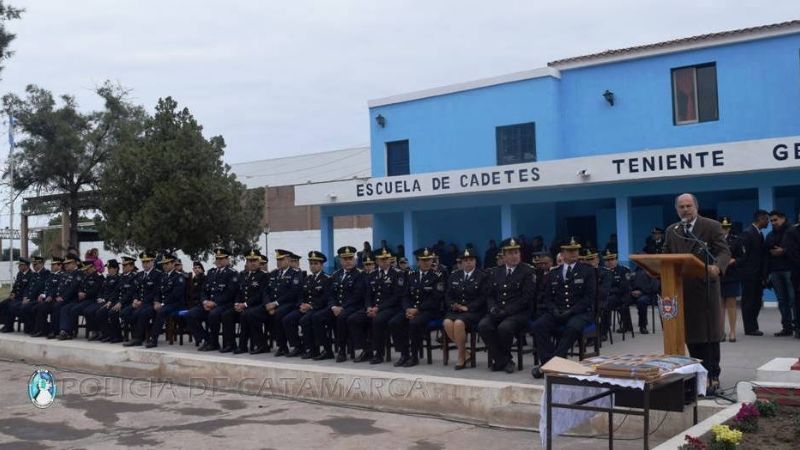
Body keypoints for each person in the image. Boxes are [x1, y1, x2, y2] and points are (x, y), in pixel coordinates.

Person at [662, 193, 730, 395]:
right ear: (677, 209)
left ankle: (712, 377)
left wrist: (718, 267)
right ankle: (694, 375)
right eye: (681, 207)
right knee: (690, 334)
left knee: (709, 334)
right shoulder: (672, 231)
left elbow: (723, 251)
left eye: (688, 206)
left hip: (705, 288)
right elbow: (665, 255)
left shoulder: (711, 226)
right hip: (681, 290)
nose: (685, 210)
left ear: (696, 207)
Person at [531, 237, 596, 379]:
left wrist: (572, 311)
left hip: (579, 313)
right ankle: (550, 363)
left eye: (575, 250)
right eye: (569, 251)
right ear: (562, 253)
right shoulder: (554, 273)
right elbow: (547, 298)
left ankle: (550, 366)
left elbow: (589, 298)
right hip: (558, 311)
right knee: (538, 325)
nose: (573, 253)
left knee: (572, 328)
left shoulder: (587, 271)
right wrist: (553, 310)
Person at [479, 238, 536, 374]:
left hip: (519, 312)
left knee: (504, 328)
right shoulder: (495, 272)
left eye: (516, 252)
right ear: (503, 256)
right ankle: (504, 360)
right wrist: (492, 307)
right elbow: (490, 295)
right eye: (510, 253)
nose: (514, 256)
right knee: (483, 326)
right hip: (498, 311)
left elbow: (526, 298)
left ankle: (501, 361)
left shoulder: (527, 271)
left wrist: (506, 311)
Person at [390, 247, 445, 368]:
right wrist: (407, 309)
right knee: (395, 322)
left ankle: (414, 356)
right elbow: (404, 295)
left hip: (429, 311)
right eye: (423, 260)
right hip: (411, 309)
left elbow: (436, 298)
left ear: (432, 261)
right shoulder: (410, 275)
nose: (426, 263)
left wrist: (418, 309)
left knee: (414, 323)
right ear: (418, 261)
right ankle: (404, 354)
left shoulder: (438, 276)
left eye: (428, 260)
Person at [348, 248, 404, 364]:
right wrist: (368, 307)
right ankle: (367, 349)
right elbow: (368, 294)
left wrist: (378, 308)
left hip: (390, 308)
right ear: (377, 261)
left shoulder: (398, 274)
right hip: (373, 307)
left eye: (386, 259)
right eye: (381, 260)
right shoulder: (372, 275)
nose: (384, 262)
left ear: (390, 260)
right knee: (353, 319)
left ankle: (379, 354)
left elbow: (396, 297)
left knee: (377, 320)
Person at [311, 246, 365, 362]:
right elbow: (330, 294)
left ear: (354, 259)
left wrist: (342, 307)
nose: (348, 261)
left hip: (352, 307)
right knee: (317, 317)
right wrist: (333, 306)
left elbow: (357, 295)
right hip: (336, 307)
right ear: (340, 260)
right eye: (345, 259)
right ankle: (327, 350)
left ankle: (342, 350)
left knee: (342, 318)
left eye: (350, 258)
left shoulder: (360, 274)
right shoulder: (336, 275)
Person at [250, 249, 303, 356]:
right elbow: (266, 291)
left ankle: (289, 346)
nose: (279, 262)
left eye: (281, 259)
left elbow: (293, 293)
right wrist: (267, 304)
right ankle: (262, 344)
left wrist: (275, 303)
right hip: (271, 305)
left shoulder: (296, 273)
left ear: (288, 260)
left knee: (278, 314)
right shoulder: (273, 273)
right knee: (252, 314)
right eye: (278, 260)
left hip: (288, 304)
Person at [186, 248, 238, 351]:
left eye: (221, 258)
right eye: (217, 258)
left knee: (213, 315)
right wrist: (205, 301)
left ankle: (214, 343)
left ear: (228, 260)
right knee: (190, 314)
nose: (218, 261)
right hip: (208, 304)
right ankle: (208, 340)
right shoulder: (211, 272)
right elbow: (204, 290)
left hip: (223, 304)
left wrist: (214, 303)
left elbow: (230, 293)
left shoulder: (232, 273)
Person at [443, 248, 487, 370]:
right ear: (461, 262)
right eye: (465, 260)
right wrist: (453, 305)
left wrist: (467, 307)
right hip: (456, 309)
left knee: (458, 323)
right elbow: (448, 294)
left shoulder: (482, 276)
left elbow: (483, 297)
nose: (468, 262)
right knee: (447, 322)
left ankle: (461, 357)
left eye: (471, 260)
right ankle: (466, 353)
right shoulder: (454, 275)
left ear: (475, 262)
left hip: (473, 311)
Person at [284, 250, 331, 359]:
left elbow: (326, 297)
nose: (313, 266)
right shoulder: (307, 279)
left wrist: (311, 306)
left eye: (316, 264)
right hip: (305, 308)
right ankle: (298, 346)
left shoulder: (327, 279)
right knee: (288, 319)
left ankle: (314, 350)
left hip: (318, 308)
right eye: (311, 264)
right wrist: (301, 304)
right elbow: (301, 294)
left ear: (321, 265)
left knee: (306, 320)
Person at [224, 250, 267, 354]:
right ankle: (230, 344)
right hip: (243, 305)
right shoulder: (243, 275)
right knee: (227, 314)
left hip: (257, 305)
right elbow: (239, 291)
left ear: (259, 261)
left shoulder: (264, 276)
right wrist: (237, 303)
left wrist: (245, 304)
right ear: (246, 262)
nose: (252, 263)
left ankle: (246, 345)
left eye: (254, 260)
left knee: (246, 315)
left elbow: (260, 294)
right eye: (249, 260)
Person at [737, 209, 768, 336]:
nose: (768, 222)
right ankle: (749, 328)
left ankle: (753, 325)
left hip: (757, 274)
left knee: (756, 300)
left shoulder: (759, 233)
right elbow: (744, 254)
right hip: (749, 274)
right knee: (749, 301)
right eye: (766, 219)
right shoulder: (747, 233)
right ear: (760, 219)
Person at [145, 252, 187, 348]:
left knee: (161, 312)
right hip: (165, 304)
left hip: (176, 304)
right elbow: (158, 292)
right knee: (149, 311)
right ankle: (145, 336)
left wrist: (162, 304)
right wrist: (156, 301)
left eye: (167, 263)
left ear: (173, 264)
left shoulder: (178, 277)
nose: (165, 266)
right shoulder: (163, 276)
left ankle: (153, 339)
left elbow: (175, 295)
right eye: (163, 264)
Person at [123, 251, 164, 347]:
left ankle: (138, 338)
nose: (145, 264)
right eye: (143, 262)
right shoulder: (139, 275)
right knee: (125, 313)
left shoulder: (158, 274)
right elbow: (135, 290)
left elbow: (157, 292)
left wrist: (144, 301)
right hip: (140, 302)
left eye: (147, 262)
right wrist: (135, 299)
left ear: (152, 262)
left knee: (140, 313)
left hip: (150, 303)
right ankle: (138, 335)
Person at [765, 210, 795, 337]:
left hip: (790, 269)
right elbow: (766, 252)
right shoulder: (770, 235)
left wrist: (784, 250)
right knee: (782, 300)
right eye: (771, 221)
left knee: (794, 299)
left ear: (783, 218)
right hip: (775, 271)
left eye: (775, 220)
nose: (773, 223)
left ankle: (797, 326)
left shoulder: (793, 232)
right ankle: (786, 327)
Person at [85, 259, 121, 341]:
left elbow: (116, 292)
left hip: (111, 302)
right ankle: (98, 332)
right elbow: (101, 290)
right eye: (108, 268)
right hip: (102, 301)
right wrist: (99, 297)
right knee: (88, 311)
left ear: (115, 269)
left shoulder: (118, 278)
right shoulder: (107, 278)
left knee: (100, 313)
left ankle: (107, 333)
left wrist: (107, 300)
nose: (108, 270)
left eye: (110, 268)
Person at [720, 217, 743, 342]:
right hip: (719, 274)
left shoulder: (736, 240)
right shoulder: (714, 240)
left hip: (732, 274)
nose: (725, 229)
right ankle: (720, 332)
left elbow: (742, 257)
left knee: (731, 304)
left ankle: (732, 331)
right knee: (719, 305)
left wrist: (734, 260)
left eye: (727, 227)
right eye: (722, 227)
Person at [106, 256, 138, 343]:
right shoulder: (121, 277)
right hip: (121, 302)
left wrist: (120, 302)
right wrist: (111, 301)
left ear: (131, 266)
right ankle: (117, 335)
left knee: (125, 313)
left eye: (125, 265)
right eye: (123, 265)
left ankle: (134, 335)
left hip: (129, 302)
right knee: (111, 312)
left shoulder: (134, 277)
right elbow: (116, 291)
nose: (123, 267)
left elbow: (130, 293)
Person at [32, 257, 64, 338]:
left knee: (54, 308)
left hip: (56, 299)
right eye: (52, 265)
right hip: (48, 298)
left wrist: (51, 296)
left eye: (54, 265)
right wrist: (43, 295)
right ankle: (42, 329)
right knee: (39, 308)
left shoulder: (62, 275)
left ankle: (54, 331)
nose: (52, 267)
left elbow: (58, 288)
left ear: (60, 266)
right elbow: (47, 288)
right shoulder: (51, 275)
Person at [780, 209, 800, 338]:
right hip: (798, 272)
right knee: (797, 300)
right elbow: (793, 253)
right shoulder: (792, 232)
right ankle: (798, 327)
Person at [0, 258, 33, 332]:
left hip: (23, 298)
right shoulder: (19, 274)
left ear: (27, 266)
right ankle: (6, 324)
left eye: (21, 265)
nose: (19, 267)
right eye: (19, 265)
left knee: (11, 305)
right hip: (16, 297)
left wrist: (25, 297)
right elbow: (15, 286)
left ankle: (9, 326)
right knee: (3, 304)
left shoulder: (31, 275)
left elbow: (28, 288)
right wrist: (12, 293)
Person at [603, 250, 632, 334]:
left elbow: (623, 288)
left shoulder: (623, 270)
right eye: (608, 260)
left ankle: (604, 330)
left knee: (606, 303)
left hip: (621, 296)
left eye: (612, 259)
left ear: (616, 260)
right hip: (607, 296)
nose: (610, 262)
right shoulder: (602, 271)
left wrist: (609, 291)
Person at [630, 261, 660, 335]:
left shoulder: (651, 271)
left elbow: (655, 286)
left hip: (647, 295)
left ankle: (643, 326)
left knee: (642, 302)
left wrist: (641, 292)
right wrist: (631, 291)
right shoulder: (634, 272)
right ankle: (626, 324)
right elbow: (627, 284)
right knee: (622, 300)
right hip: (633, 294)